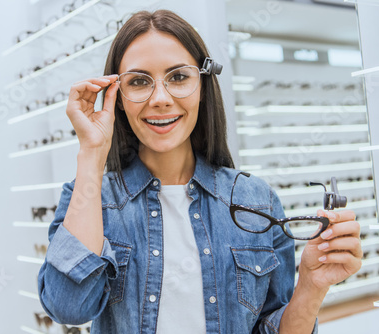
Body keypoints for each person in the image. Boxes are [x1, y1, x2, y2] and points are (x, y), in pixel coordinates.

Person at [37, 9, 362, 334]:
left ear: (203, 84)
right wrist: (92, 152)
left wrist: (311, 287)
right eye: (138, 81)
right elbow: (68, 307)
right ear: (118, 97)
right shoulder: (91, 198)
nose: (161, 99)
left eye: (178, 77)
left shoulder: (257, 200)